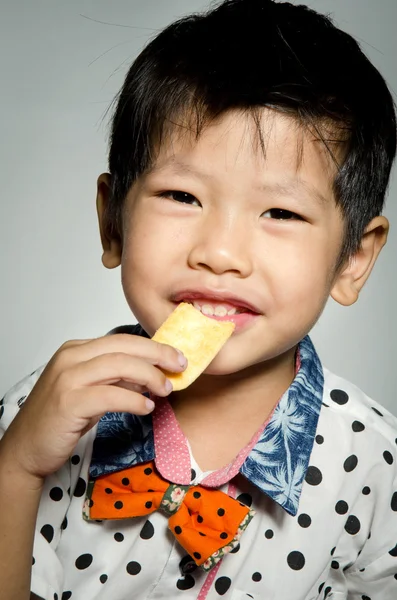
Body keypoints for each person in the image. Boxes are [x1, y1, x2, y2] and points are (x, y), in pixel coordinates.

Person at [1, 0, 396, 598]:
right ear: (113, 222)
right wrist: (15, 471)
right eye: (182, 196)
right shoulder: (43, 412)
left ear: (354, 260)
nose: (220, 252)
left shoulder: (374, 462)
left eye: (281, 212)